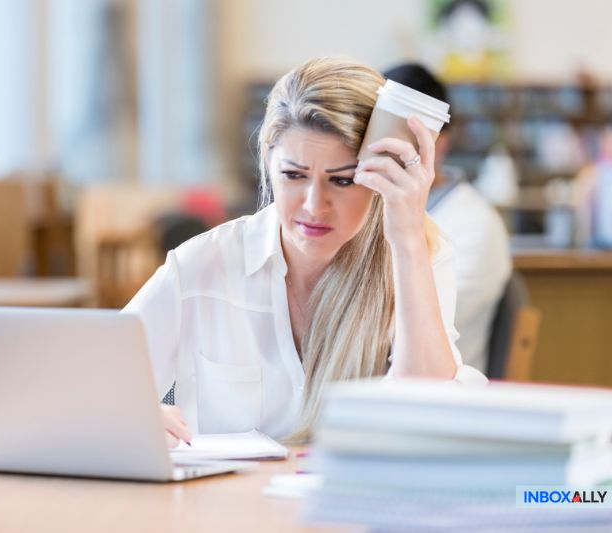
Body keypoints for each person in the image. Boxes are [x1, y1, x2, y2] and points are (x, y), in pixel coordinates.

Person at [123, 57, 487, 446]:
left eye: (343, 180)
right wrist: (129, 417)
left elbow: (427, 414)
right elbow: (91, 389)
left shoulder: (420, 256)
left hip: (353, 503)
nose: (315, 205)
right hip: (227, 505)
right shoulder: (201, 266)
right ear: (268, 163)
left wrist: (407, 235)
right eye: (294, 175)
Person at [383, 63, 512, 374]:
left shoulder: (476, 224)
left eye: (397, 133)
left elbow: (420, 327)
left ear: (438, 141)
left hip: (442, 398)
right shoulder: (366, 208)